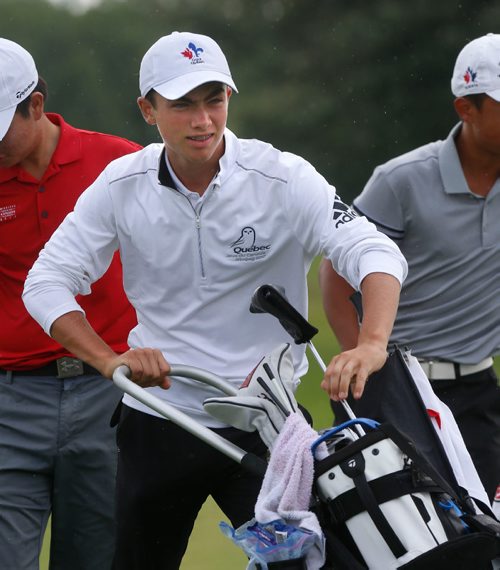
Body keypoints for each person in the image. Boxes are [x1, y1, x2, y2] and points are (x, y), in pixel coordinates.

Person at [23, 31, 407, 569]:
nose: (203, 120)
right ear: (148, 110)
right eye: (182, 104)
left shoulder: (281, 175)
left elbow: (373, 251)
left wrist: (371, 343)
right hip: (159, 420)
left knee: (314, 565)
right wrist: (110, 361)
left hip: (268, 426)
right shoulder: (120, 184)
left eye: (214, 100)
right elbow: (44, 283)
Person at [319, 33, 500, 503]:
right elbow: (337, 275)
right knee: (396, 540)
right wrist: (362, 359)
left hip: (479, 393)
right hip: (399, 389)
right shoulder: (401, 181)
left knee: (482, 540)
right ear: (467, 109)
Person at [0, 38, 141, 569]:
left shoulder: (121, 163)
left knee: (95, 560)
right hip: (8, 400)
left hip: (110, 398)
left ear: (36, 104)